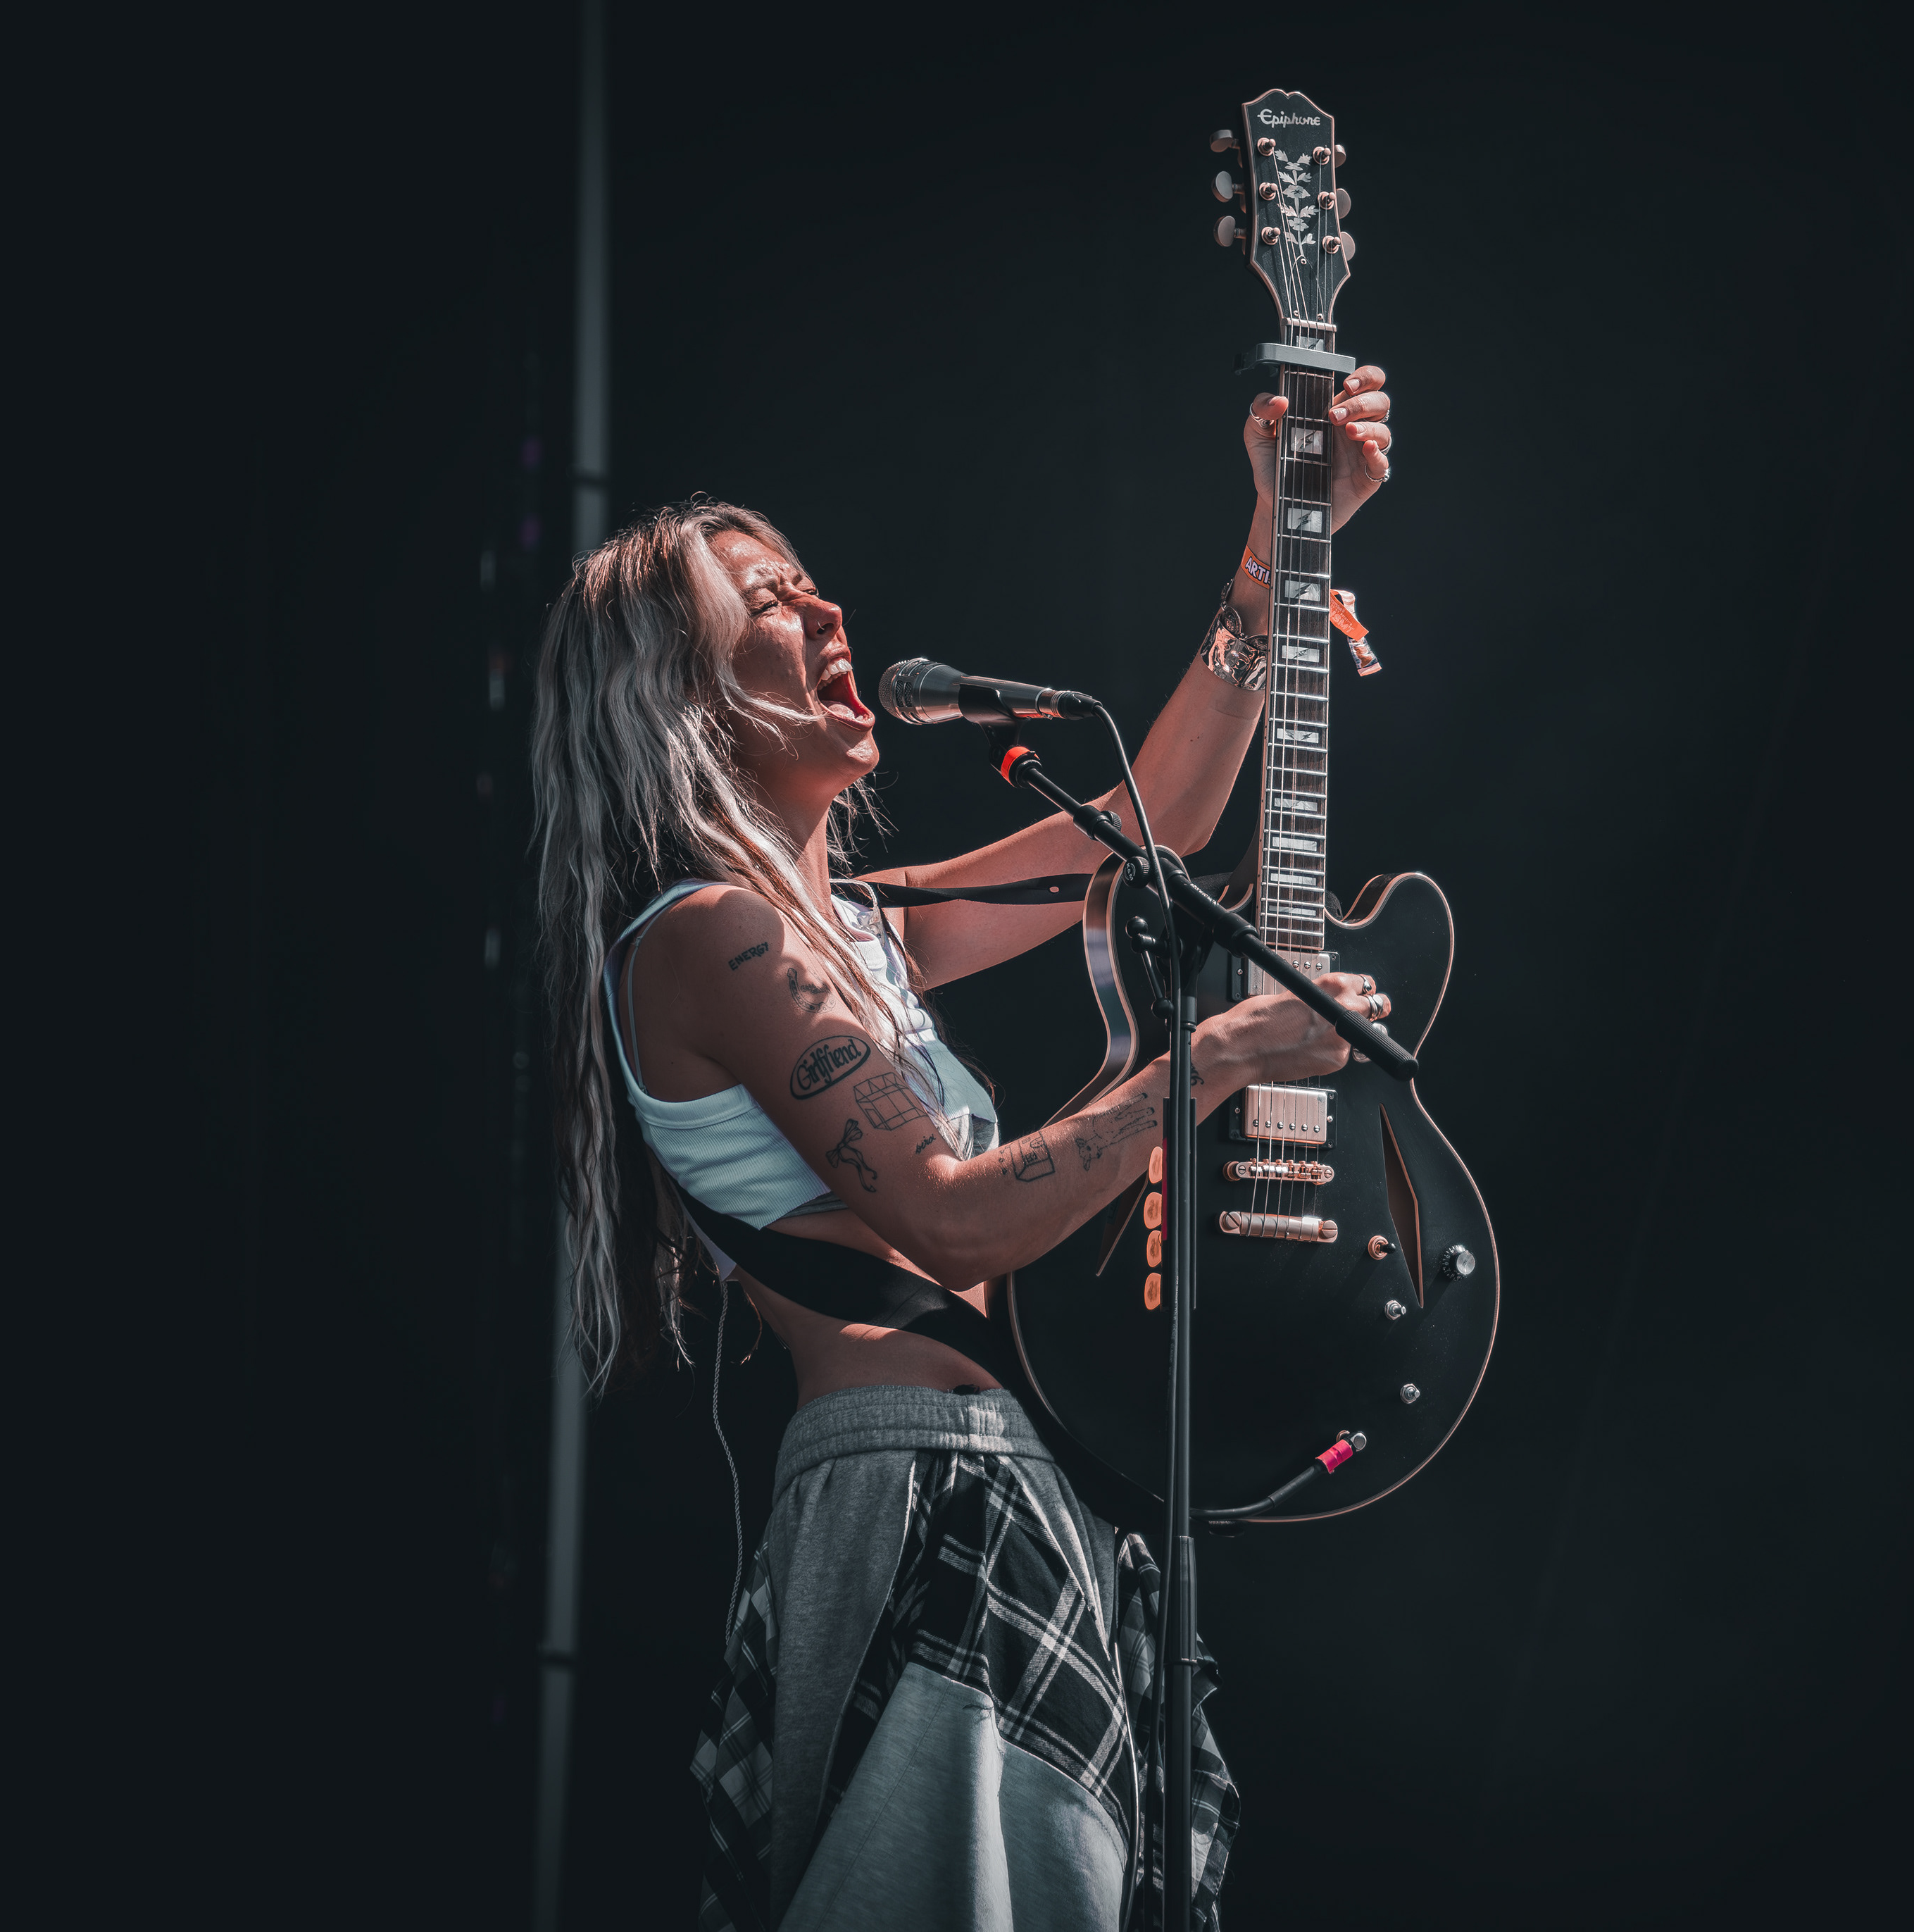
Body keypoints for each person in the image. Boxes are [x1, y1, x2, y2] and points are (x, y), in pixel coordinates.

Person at [533, 370, 1396, 1929]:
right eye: (771, 603)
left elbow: (1154, 827)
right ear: (680, 692)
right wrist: (1215, 1061)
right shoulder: (708, 937)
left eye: (813, 583)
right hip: (913, 1480)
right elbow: (956, 1221)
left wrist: (1275, 549)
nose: (828, 610)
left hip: (1020, 1470)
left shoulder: (857, 929)